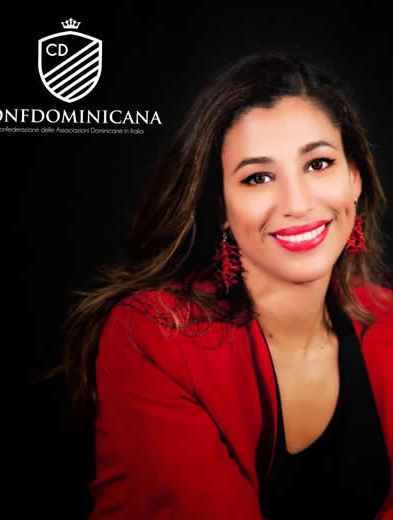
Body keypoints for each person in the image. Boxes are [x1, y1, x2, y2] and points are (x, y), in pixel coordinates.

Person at [56, 52, 393, 519]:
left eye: (318, 164)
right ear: (221, 209)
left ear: (353, 178)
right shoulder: (154, 335)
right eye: (258, 177)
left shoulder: (386, 320)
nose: (297, 203)